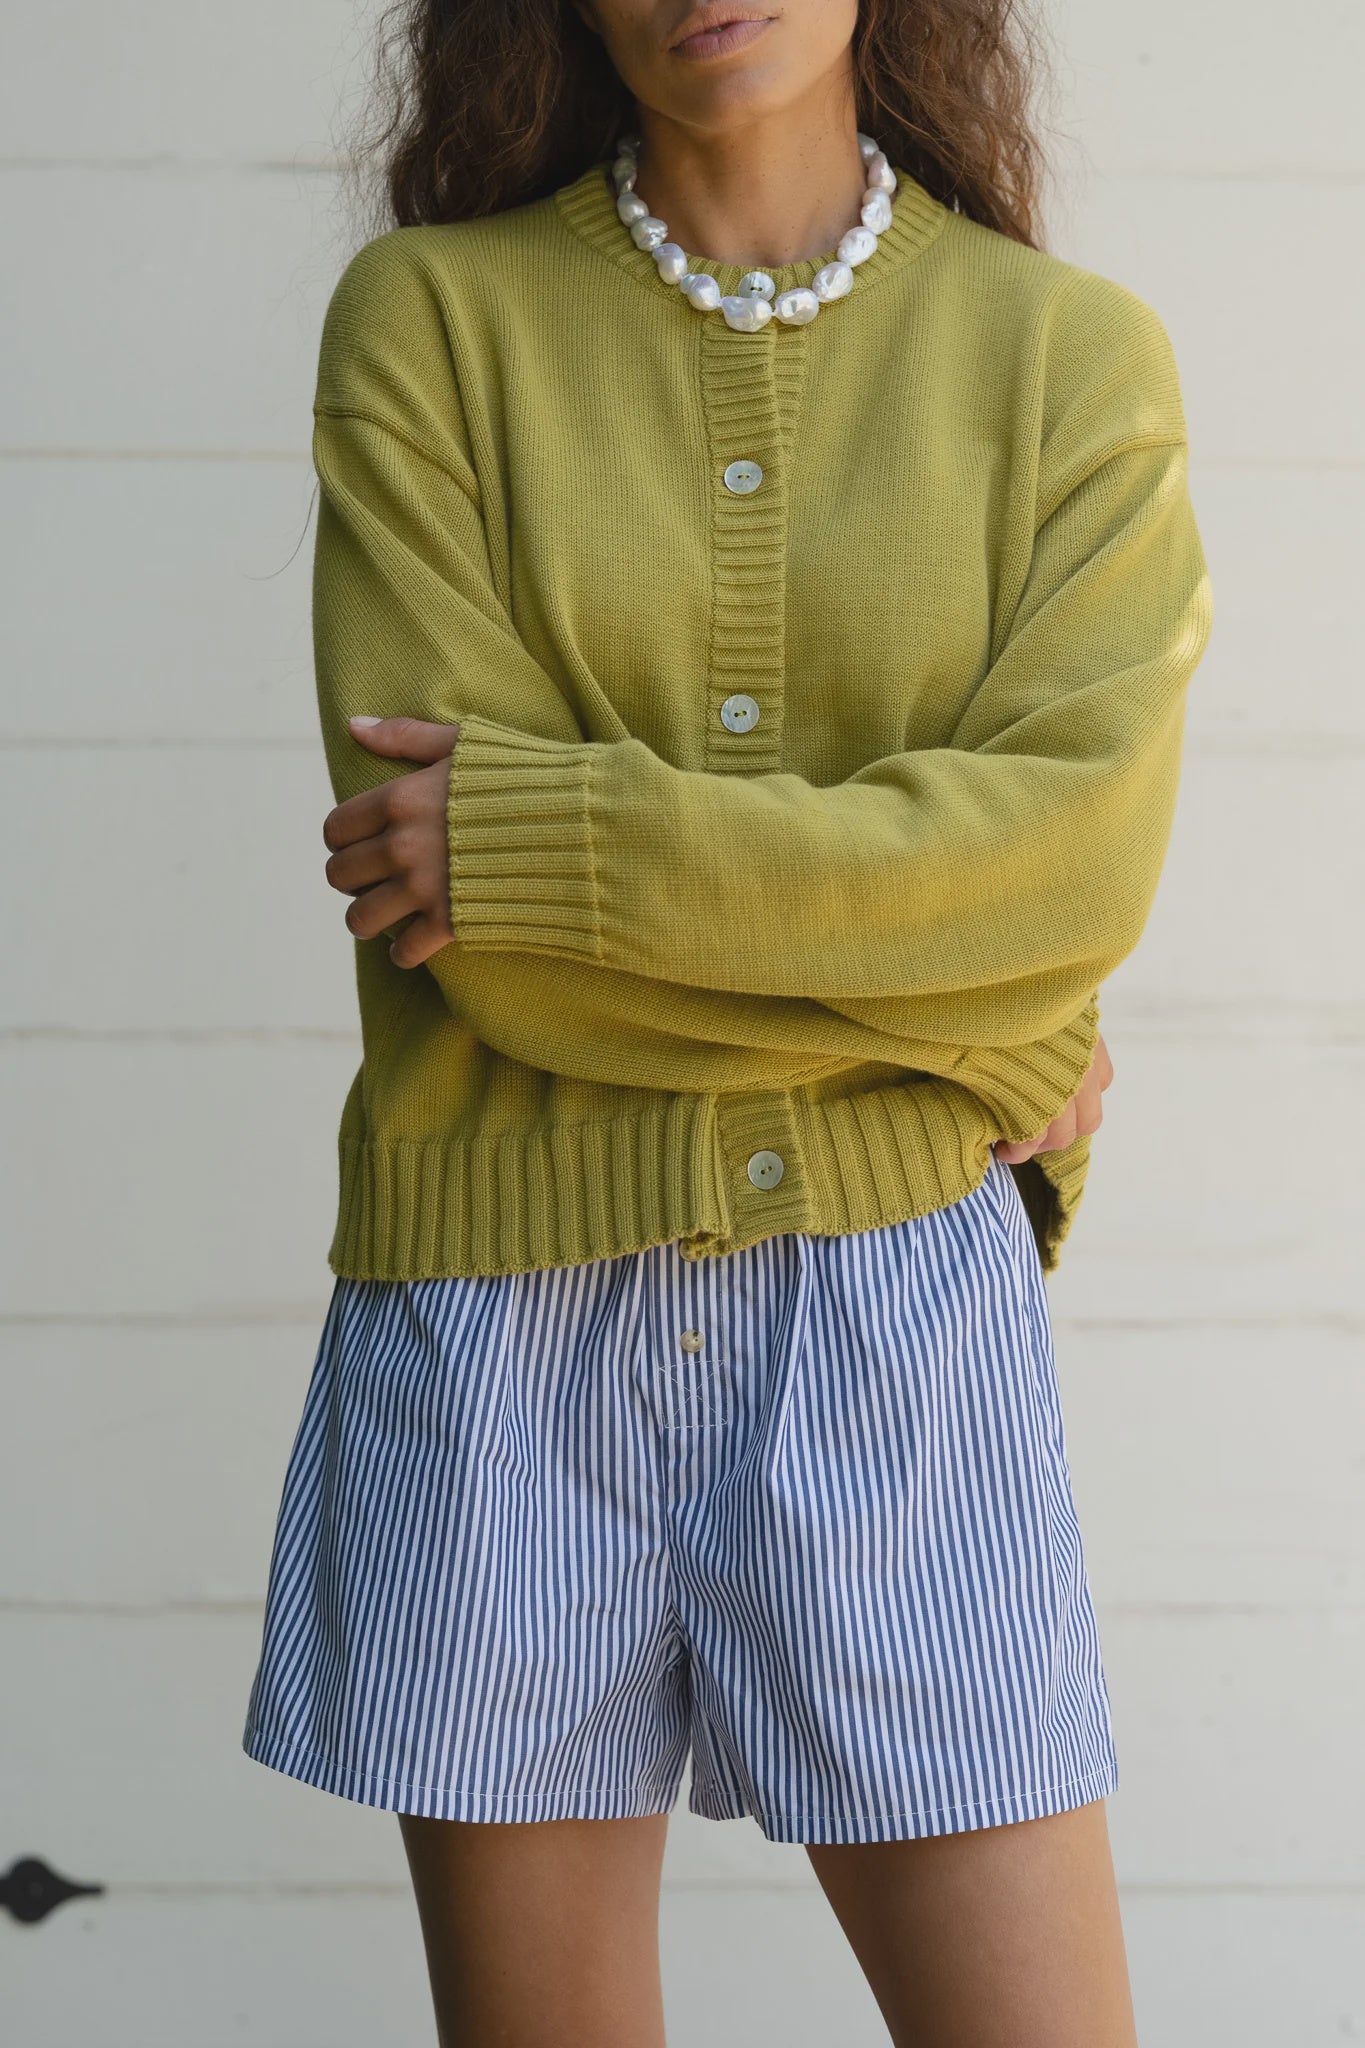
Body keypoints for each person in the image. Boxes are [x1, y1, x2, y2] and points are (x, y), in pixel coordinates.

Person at [240, 2, 1212, 2041]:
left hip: (889, 1321)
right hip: (497, 1310)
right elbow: (470, 939)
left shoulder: (1062, 361)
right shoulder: (429, 324)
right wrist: (977, 1042)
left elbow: (1067, 877)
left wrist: (548, 839)